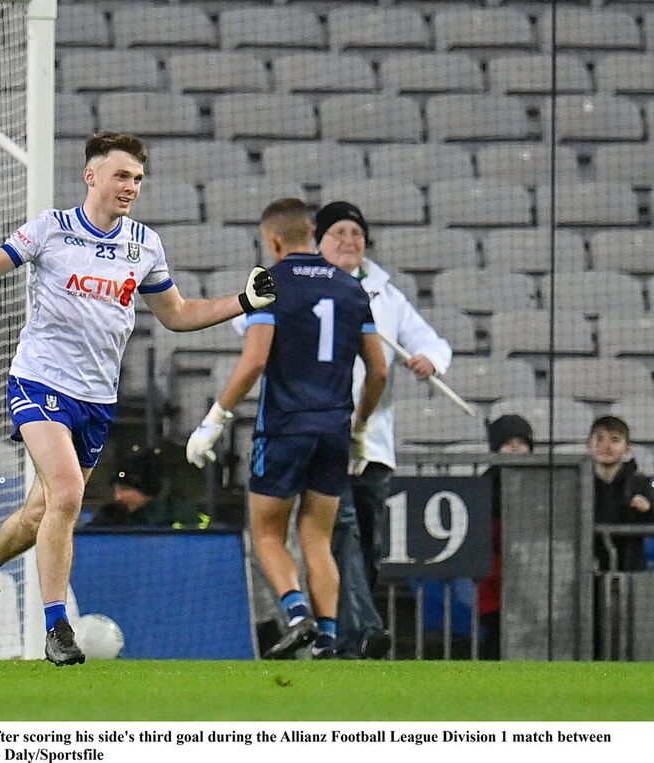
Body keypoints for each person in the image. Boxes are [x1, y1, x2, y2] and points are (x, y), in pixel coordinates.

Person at [0, 132, 277, 665]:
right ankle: (57, 628)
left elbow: (178, 315)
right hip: (39, 382)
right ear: (91, 175)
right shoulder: (50, 229)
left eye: (138, 179)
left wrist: (242, 301)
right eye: (122, 175)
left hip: (97, 399)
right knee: (70, 495)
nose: (131, 187)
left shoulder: (143, 243)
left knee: (40, 513)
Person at [187, 197, 387, 660]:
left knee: (267, 534)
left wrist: (214, 421)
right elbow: (378, 371)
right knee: (316, 537)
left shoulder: (269, 282)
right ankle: (330, 638)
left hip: (283, 428)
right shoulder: (352, 288)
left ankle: (297, 615)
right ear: (313, 235)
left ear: (273, 240)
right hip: (334, 429)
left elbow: (255, 359)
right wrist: (358, 428)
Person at [315, 200, 452, 658]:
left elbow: (430, 340)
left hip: (373, 443)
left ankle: (346, 638)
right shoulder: (304, 286)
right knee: (344, 535)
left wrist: (430, 359)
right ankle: (363, 629)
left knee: (367, 545)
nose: (350, 241)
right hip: (323, 436)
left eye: (356, 233)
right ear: (319, 240)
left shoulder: (386, 295)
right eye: (339, 233)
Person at [478, 414, 534, 660]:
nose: (514, 447)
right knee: (495, 634)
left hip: (531, 575)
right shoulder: (485, 483)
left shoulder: (541, 481)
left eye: (521, 442)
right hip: (494, 578)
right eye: (508, 441)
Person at [588, 415, 654, 573]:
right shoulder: (576, 483)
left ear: (627, 449)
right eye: (599, 438)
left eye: (615, 440)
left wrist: (648, 509)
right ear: (588, 445)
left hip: (630, 570)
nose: (606, 446)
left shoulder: (640, 483)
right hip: (588, 573)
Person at [85, 445, 208, 529]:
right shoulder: (111, 516)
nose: (118, 497)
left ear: (147, 489)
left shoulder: (179, 514)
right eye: (117, 489)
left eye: (125, 489)